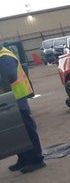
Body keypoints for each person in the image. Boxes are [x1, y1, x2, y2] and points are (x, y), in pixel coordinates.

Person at [0, 42, 45, 173]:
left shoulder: (4, 57)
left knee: (27, 130)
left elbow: (10, 79)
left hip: (16, 100)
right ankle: (24, 158)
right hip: (11, 100)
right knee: (18, 133)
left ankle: (37, 159)